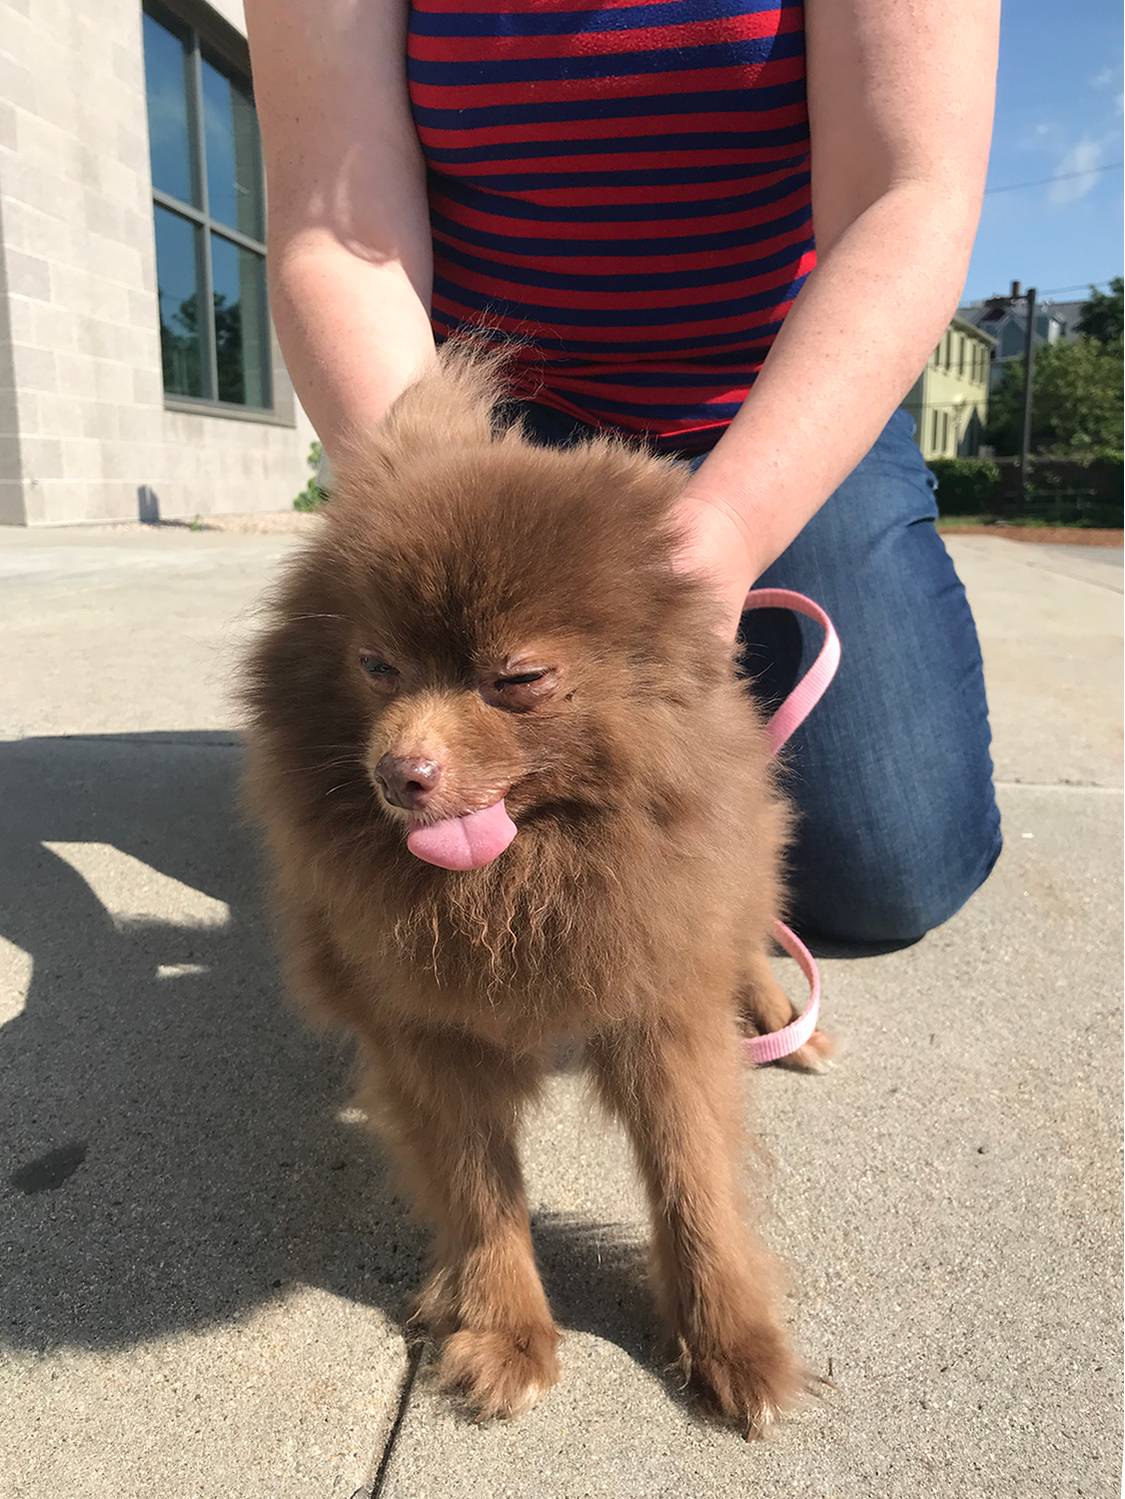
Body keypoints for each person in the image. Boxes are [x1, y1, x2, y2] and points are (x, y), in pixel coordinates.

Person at [244, 0, 1003, 944]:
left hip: (771, 398)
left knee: (890, 866)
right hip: (486, 422)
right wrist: (423, 493)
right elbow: (336, 225)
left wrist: (722, 536)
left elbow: (908, 191)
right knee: (396, 765)